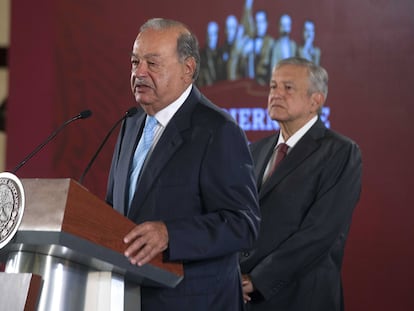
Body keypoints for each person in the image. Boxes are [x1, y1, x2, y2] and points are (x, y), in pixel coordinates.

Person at [106, 18, 260, 311]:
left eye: (152, 63)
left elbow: (243, 223)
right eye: (135, 61)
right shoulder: (130, 123)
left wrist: (170, 234)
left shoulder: (217, 130)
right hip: (127, 297)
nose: (139, 72)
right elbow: (114, 209)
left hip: (194, 300)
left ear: (187, 69)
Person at [240, 57, 362, 311]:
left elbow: (319, 232)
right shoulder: (256, 150)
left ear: (315, 101)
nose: (276, 94)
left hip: (304, 297)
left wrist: (259, 279)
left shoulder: (340, 152)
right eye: (273, 87)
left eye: (288, 88)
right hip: (248, 298)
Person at [197, 21, 222, 87]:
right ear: (206, 36)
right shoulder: (200, 57)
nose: (211, 38)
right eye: (209, 34)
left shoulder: (222, 53)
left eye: (214, 34)